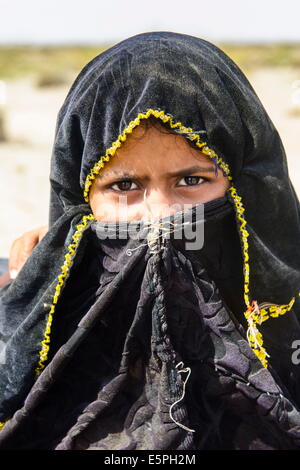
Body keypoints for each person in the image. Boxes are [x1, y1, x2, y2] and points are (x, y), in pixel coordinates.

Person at [0, 31, 300, 450]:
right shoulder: (33, 315)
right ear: (79, 201)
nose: (159, 215)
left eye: (190, 180)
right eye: (124, 185)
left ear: (248, 189)